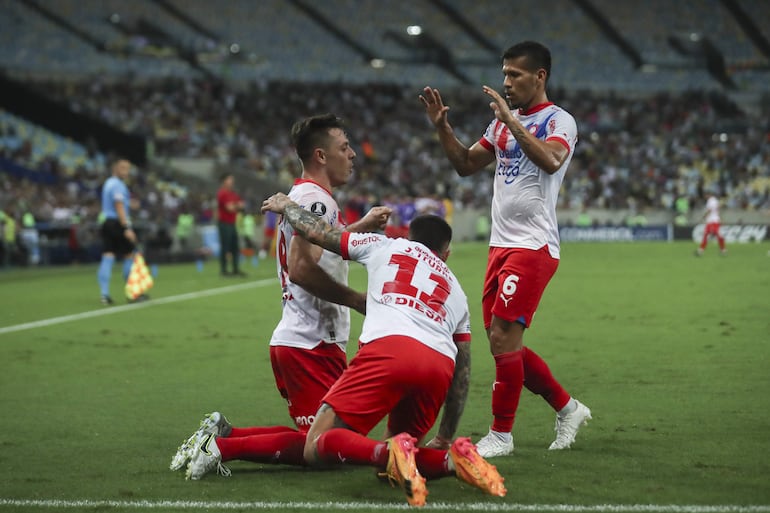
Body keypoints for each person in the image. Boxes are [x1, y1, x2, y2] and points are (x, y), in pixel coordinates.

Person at [187, 196, 506, 506]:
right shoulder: (458, 292)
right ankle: (452, 460)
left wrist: (288, 207)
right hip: (438, 366)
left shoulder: (387, 245)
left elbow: (320, 234)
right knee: (390, 471)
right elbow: (462, 372)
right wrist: (446, 436)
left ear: (409, 236)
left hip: (389, 349)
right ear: (446, 254)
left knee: (316, 446)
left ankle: (387, 450)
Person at [171, 114, 391, 476]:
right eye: (344, 147)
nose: (352, 155)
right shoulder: (317, 201)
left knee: (326, 438)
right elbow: (302, 268)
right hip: (310, 341)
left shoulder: (304, 197)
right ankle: (220, 447)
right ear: (321, 156)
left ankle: (222, 433)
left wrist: (357, 227)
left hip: (304, 338)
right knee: (321, 447)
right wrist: (356, 299)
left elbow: (317, 251)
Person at [420, 40, 591, 457]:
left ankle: (501, 434)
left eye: (514, 75)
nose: (507, 82)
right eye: (504, 74)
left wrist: (512, 123)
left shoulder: (558, 120)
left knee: (502, 335)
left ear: (540, 76)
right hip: (500, 245)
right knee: (502, 343)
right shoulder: (501, 124)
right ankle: (568, 408)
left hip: (534, 245)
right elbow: (464, 164)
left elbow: (551, 160)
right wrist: (442, 127)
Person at [97, 158, 139, 305]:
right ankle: (132, 294)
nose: (126, 172)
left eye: (128, 169)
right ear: (115, 168)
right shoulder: (118, 186)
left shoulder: (108, 183)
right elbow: (119, 206)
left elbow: (117, 203)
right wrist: (127, 228)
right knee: (129, 255)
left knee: (108, 256)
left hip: (107, 222)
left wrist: (130, 204)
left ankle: (104, 294)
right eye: (123, 168)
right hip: (118, 223)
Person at [216, 172, 246, 277]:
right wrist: (236, 205)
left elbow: (242, 205)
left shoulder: (233, 194)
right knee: (225, 246)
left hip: (232, 223)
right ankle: (224, 270)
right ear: (224, 181)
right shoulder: (222, 193)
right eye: (229, 179)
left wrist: (235, 206)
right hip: (224, 223)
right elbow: (230, 208)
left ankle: (235, 269)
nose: (232, 182)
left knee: (234, 246)